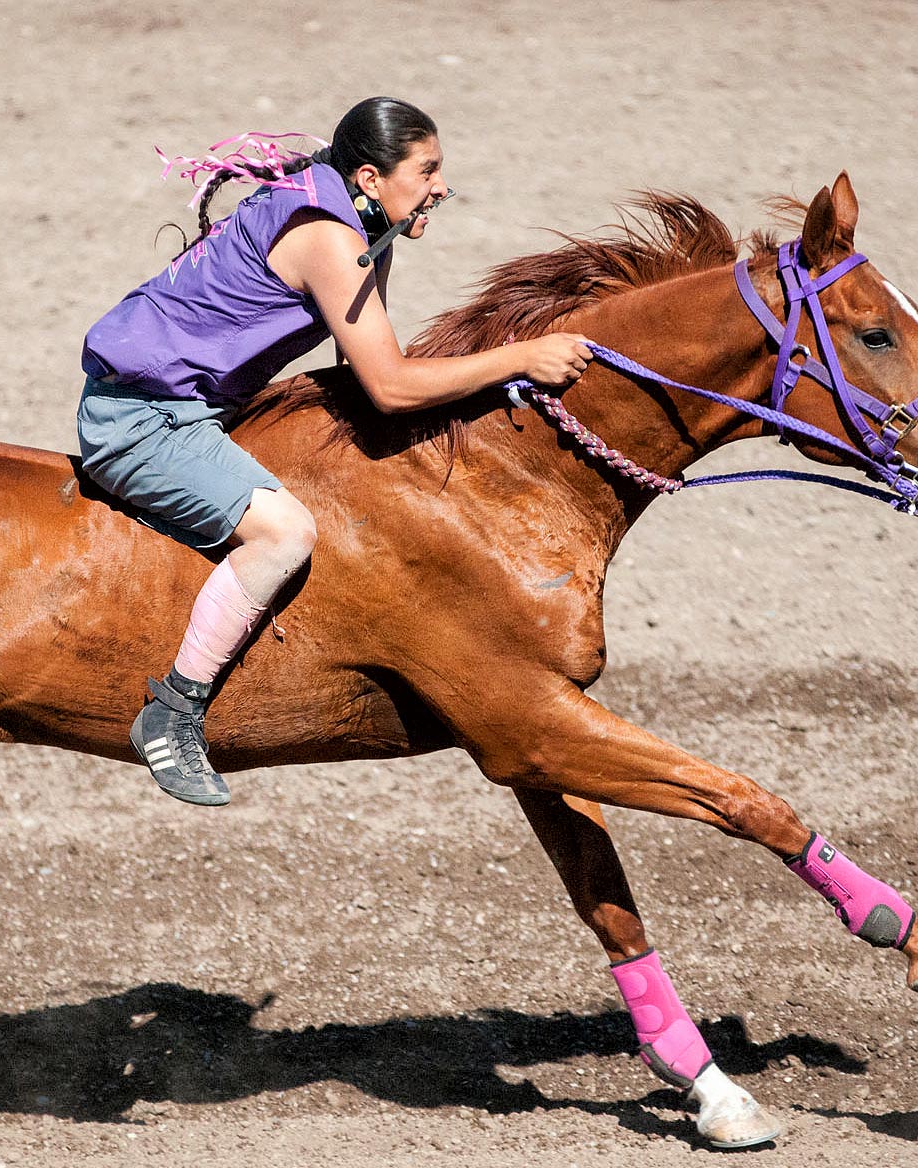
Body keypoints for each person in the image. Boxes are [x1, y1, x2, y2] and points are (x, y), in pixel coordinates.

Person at [77, 97, 592, 806]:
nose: (442, 186)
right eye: (428, 170)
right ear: (371, 178)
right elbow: (389, 385)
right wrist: (522, 357)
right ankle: (173, 712)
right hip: (142, 420)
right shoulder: (329, 238)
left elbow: (366, 371)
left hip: (198, 404)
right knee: (285, 532)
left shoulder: (351, 222)